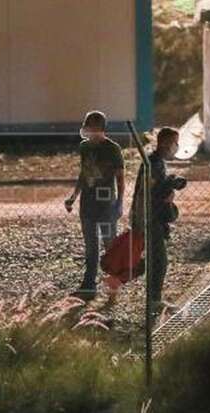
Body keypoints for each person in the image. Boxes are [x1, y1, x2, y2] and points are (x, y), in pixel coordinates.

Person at [64, 111, 125, 300]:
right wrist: (74, 196)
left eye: (89, 125)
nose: (86, 129)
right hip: (88, 205)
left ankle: (113, 285)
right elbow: (84, 175)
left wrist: (119, 204)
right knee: (91, 247)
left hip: (106, 205)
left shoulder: (112, 149)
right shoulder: (85, 147)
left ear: (99, 128)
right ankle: (89, 286)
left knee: (110, 246)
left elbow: (120, 179)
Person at [131, 128, 183, 312]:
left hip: (153, 217)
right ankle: (153, 300)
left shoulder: (157, 162)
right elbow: (149, 192)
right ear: (165, 144)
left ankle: (152, 297)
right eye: (175, 143)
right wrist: (167, 192)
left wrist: (169, 186)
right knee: (159, 261)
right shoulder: (153, 163)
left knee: (155, 259)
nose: (177, 147)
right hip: (149, 218)